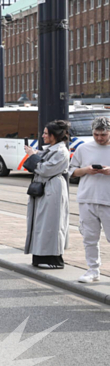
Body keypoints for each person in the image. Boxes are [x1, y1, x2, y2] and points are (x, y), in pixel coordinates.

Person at [23, 120, 71, 269]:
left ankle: (53, 259)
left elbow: (44, 169)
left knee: (51, 223)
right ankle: (40, 256)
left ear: (54, 135)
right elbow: (41, 161)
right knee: (42, 222)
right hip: (46, 188)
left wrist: (32, 155)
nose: (43, 136)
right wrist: (33, 153)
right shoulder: (52, 149)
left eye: (45, 133)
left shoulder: (61, 151)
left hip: (53, 189)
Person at [70, 116, 110, 283]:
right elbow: (71, 171)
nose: (99, 138)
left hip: (108, 200)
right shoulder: (83, 148)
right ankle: (93, 270)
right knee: (89, 237)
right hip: (87, 198)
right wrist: (86, 170)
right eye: (96, 134)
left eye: (103, 135)